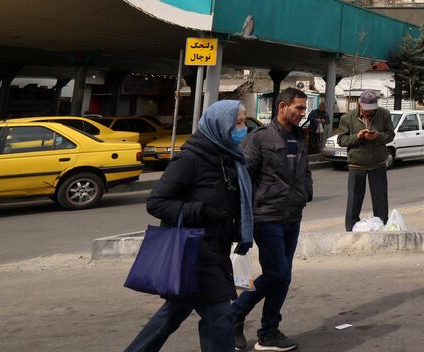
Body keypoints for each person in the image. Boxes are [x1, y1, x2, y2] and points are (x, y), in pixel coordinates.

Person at [125, 101, 253, 352]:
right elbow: (157, 202)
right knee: (219, 316)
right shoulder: (191, 158)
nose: (243, 127)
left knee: (173, 313)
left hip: (216, 248)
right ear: (221, 124)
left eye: (243, 120)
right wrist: (199, 210)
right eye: (238, 122)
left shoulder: (228, 156)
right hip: (194, 250)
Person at [231, 88, 312, 352]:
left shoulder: (300, 136)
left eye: (304, 108)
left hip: (293, 215)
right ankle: (234, 314)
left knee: (283, 276)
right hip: (267, 217)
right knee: (277, 272)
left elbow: (304, 170)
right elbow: (243, 177)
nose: (303, 113)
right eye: (298, 108)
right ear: (282, 107)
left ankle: (268, 333)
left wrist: (305, 193)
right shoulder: (259, 138)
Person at [336, 90, 395, 231]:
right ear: (359, 104)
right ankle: (350, 229)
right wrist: (358, 136)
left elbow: (390, 135)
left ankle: (382, 227)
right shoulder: (347, 118)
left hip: (378, 163)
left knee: (380, 199)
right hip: (356, 164)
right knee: (354, 200)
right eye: (367, 109)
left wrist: (377, 136)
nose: (370, 112)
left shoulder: (384, 114)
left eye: (373, 109)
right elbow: (341, 140)